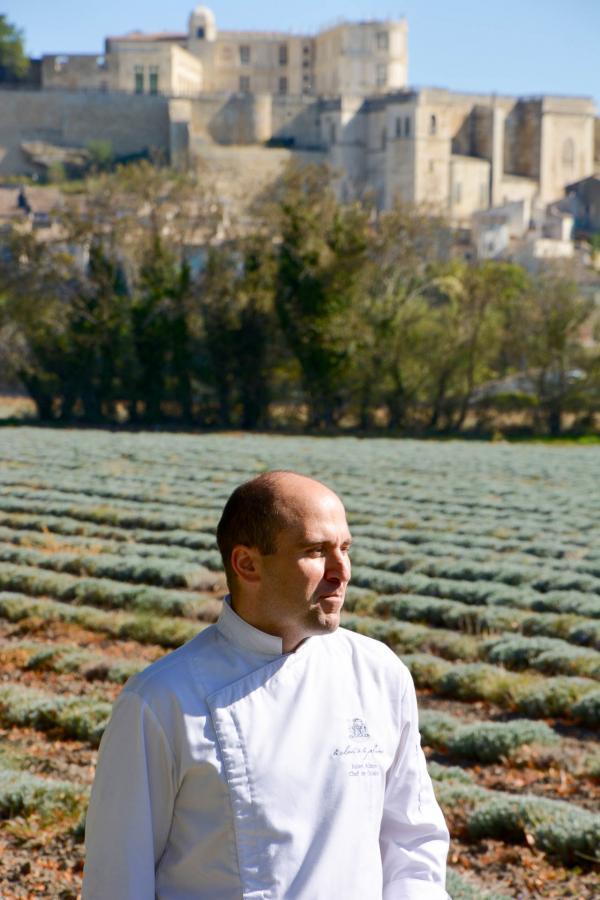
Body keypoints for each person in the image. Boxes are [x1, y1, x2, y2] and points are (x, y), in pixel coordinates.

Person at [83, 471, 450, 899]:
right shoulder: (161, 701)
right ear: (247, 564)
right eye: (315, 551)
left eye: (345, 548)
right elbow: (118, 880)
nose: (341, 571)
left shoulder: (379, 673)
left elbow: (412, 842)